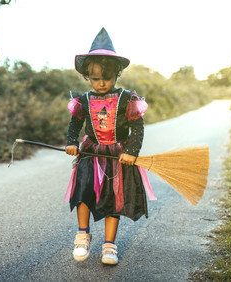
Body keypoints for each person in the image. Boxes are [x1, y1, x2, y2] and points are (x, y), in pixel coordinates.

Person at [64, 27, 150, 265]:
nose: (101, 83)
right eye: (95, 78)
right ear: (87, 77)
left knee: (114, 199)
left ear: (116, 74)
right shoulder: (84, 100)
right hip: (90, 154)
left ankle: (109, 246)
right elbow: (75, 124)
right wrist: (71, 143)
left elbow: (138, 128)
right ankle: (82, 235)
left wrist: (132, 152)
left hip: (117, 156)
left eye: (107, 77)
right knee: (83, 193)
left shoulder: (127, 99)